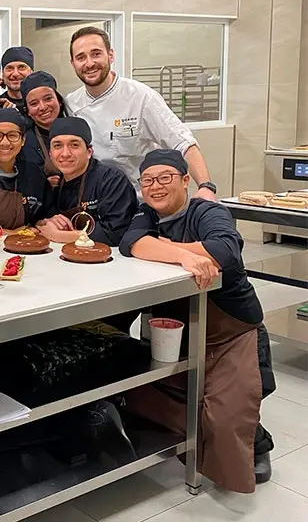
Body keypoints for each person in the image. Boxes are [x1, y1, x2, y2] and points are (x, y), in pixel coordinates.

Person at [120, 149, 276, 492]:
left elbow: (225, 252)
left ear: (185, 180)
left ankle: (256, 440)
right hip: (181, 333)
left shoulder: (208, 211)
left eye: (165, 178)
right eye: (148, 181)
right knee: (135, 395)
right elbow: (131, 243)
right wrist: (183, 255)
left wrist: (169, 248)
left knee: (223, 419)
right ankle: (219, 431)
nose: (155, 187)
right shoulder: (146, 214)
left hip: (231, 333)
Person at [65, 26, 217, 200]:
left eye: (96, 54)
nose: (89, 63)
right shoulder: (72, 104)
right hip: (99, 202)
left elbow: (183, 143)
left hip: (143, 202)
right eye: (81, 57)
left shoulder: (140, 97)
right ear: (73, 63)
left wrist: (206, 186)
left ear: (111, 55)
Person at [38, 117, 137, 247]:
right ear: (50, 154)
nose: (65, 153)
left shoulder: (111, 180)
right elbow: (44, 220)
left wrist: (58, 235)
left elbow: (115, 234)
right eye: (58, 146)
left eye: (74, 145)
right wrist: (49, 222)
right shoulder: (56, 183)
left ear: (89, 152)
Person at [0, 108, 55, 230]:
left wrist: (42, 223)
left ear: (23, 140)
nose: (5, 142)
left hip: (27, 244)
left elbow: (46, 213)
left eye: (12, 135)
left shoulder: (34, 173)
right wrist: (11, 234)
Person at [20, 71, 67, 187]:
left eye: (48, 99)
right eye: (34, 103)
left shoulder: (76, 132)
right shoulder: (24, 142)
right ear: (28, 111)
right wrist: (42, 186)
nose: (42, 107)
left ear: (59, 101)